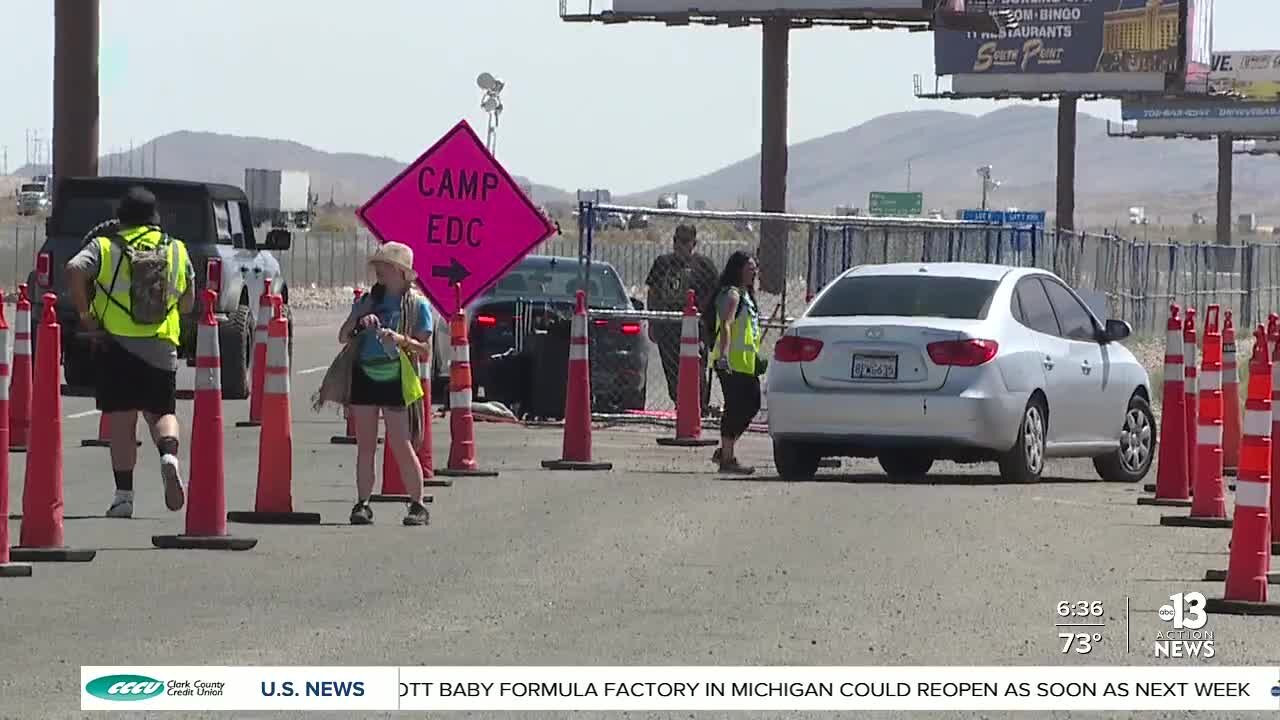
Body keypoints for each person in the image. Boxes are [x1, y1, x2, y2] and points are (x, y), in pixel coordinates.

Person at [65, 186, 196, 518]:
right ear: (155, 218)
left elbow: (74, 269)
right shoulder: (176, 249)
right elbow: (188, 301)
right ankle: (168, 456)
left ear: (120, 218)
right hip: (162, 342)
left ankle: (124, 497)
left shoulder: (105, 246)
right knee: (162, 412)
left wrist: (86, 315)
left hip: (117, 343)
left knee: (122, 421)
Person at [334, 242, 432, 527]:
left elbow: (424, 349)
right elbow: (344, 336)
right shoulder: (368, 301)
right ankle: (363, 503)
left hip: (395, 377)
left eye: (385, 266)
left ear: (401, 272)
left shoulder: (416, 305)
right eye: (378, 266)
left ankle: (417, 504)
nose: (379, 271)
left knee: (401, 443)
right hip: (366, 374)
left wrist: (400, 340)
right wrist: (359, 320)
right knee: (366, 445)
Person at [644, 224, 718, 411]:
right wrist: (652, 321)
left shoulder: (704, 266)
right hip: (668, 328)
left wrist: (712, 326)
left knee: (697, 369)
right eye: (677, 240)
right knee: (672, 370)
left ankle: (698, 406)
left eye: (685, 241)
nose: (679, 245)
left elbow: (715, 295)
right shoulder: (663, 263)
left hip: (696, 329)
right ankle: (680, 405)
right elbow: (653, 293)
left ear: (694, 243)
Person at [709, 251, 763, 475]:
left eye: (754, 269)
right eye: (749, 268)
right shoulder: (731, 294)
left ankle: (726, 450)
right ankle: (727, 458)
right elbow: (727, 324)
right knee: (735, 407)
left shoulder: (746, 294)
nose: (753, 272)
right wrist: (723, 355)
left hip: (745, 363)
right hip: (730, 362)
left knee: (752, 403)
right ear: (738, 269)